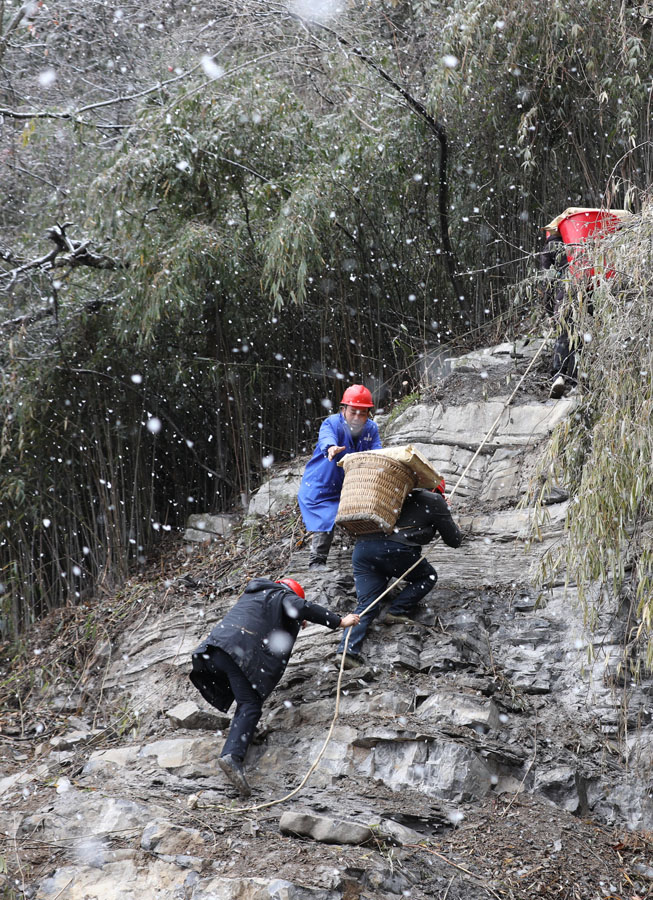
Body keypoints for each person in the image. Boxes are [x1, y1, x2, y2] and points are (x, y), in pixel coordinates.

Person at [189, 576, 360, 796]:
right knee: (250, 704)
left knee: (245, 699)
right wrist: (339, 621)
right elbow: (301, 606)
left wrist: (294, 620)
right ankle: (232, 755)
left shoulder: (255, 594)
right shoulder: (282, 596)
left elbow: (266, 619)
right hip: (238, 652)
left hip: (214, 650)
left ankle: (242, 732)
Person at [336, 480, 463, 668]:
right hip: (394, 550)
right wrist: (443, 510)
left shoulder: (393, 494)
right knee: (427, 576)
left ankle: (346, 652)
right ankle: (396, 611)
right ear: (438, 489)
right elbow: (454, 540)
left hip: (363, 550)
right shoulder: (434, 500)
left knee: (367, 603)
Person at [297, 384, 382, 569]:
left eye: (363, 413)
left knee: (361, 515)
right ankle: (316, 562)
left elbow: (378, 453)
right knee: (326, 517)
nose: (357, 418)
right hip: (321, 483)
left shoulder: (371, 429)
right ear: (343, 409)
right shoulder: (332, 423)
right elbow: (326, 439)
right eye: (353, 412)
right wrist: (331, 448)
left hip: (349, 485)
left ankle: (362, 557)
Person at [538, 239, 578, 399]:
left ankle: (559, 376)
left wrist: (550, 311)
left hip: (564, 296)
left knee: (563, 337)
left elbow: (548, 282)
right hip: (586, 295)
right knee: (578, 339)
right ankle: (576, 381)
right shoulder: (580, 240)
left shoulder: (551, 246)